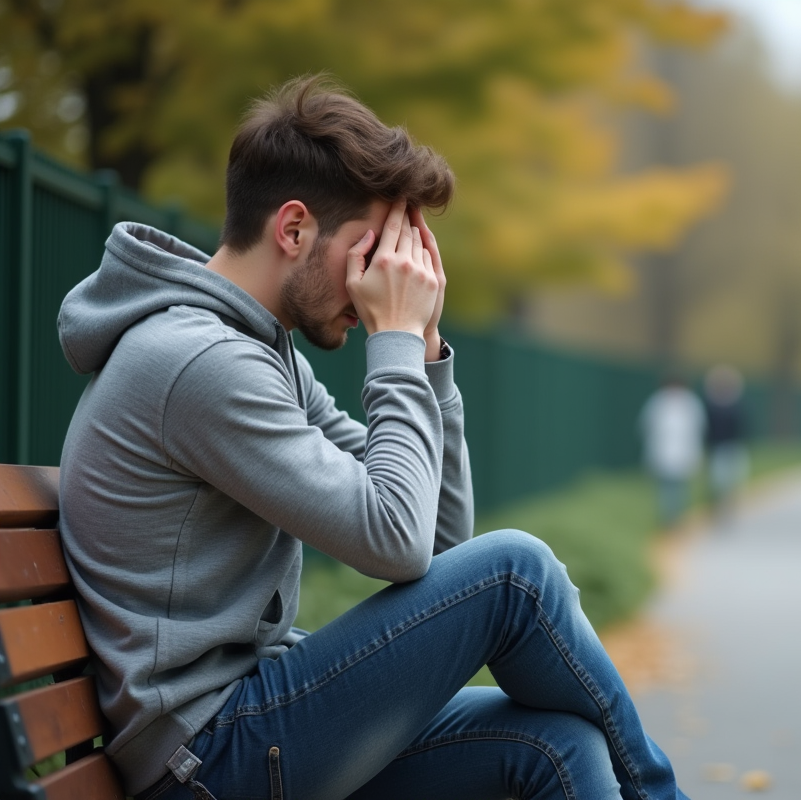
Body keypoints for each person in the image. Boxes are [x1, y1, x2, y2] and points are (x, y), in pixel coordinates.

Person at [57, 75, 688, 800]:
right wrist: (390, 338)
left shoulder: (261, 357)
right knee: (518, 571)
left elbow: (439, 541)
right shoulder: (199, 363)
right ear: (293, 230)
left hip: (245, 726)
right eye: (368, 254)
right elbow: (396, 541)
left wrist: (421, 352)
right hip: (206, 759)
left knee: (555, 744)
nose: (376, 285)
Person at [639, 376, 706, 528]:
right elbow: (647, 427)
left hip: (683, 453)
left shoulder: (690, 403)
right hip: (663, 453)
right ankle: (668, 517)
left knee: (679, 487)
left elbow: (697, 430)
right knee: (666, 487)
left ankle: (677, 517)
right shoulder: (658, 402)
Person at [702, 365, 749, 518]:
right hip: (717, 448)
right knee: (717, 481)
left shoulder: (737, 405)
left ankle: (729, 508)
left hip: (733, 447)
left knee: (732, 481)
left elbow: (743, 427)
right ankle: (717, 507)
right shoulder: (710, 405)